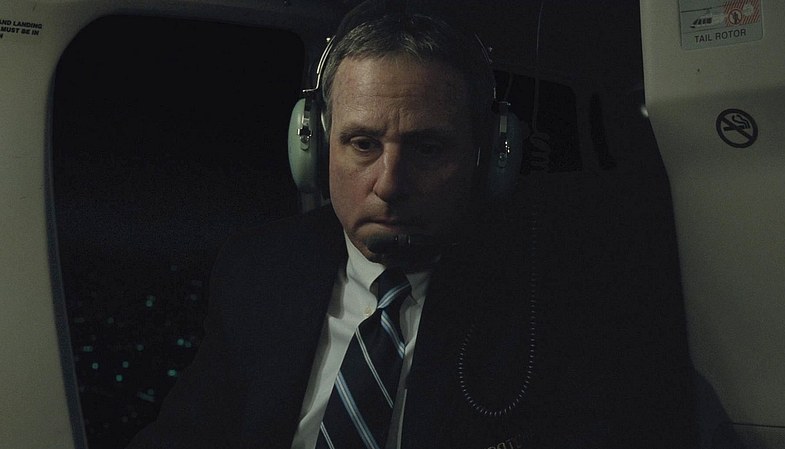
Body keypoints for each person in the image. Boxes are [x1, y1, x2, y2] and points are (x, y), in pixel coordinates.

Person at [128, 4, 696, 449]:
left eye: (428, 148)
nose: (390, 184)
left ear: (487, 158)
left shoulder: (561, 291)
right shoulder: (258, 269)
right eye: (362, 143)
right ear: (316, 148)